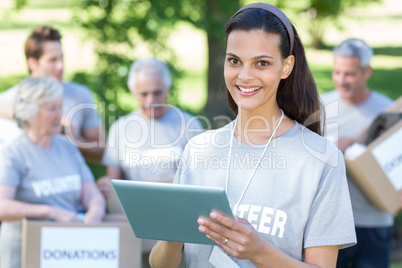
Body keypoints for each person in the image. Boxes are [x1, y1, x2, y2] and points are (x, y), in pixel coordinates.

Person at [150, 3, 356, 268]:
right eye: (234, 60)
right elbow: (160, 264)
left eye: (262, 63)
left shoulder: (321, 159)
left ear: (286, 66)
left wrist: (259, 252)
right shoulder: (198, 149)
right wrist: (172, 237)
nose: (244, 76)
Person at [0, 77, 106, 268]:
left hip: (67, 254)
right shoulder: (13, 153)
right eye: (52, 109)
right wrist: (50, 212)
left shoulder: (68, 147)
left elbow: (91, 193)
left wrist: (95, 212)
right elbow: (2, 207)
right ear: (30, 114)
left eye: (60, 107)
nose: (60, 115)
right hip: (24, 255)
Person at [321, 38, 394, 268]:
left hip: (374, 222)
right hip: (330, 223)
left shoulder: (388, 112)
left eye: (350, 74)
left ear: (367, 72)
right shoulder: (319, 107)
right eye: (337, 72)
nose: (341, 80)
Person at [97, 57, 204, 197]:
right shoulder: (119, 129)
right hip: (136, 208)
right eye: (144, 94)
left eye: (157, 93)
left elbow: (202, 178)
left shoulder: (190, 125)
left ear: (167, 89)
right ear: (133, 92)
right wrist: (105, 186)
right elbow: (114, 182)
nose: (151, 101)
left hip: (178, 205)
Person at [0, 26, 105, 162]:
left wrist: (71, 139)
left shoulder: (80, 95)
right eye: (52, 60)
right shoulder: (7, 101)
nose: (60, 66)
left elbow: (101, 150)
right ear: (32, 63)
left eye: (61, 58)